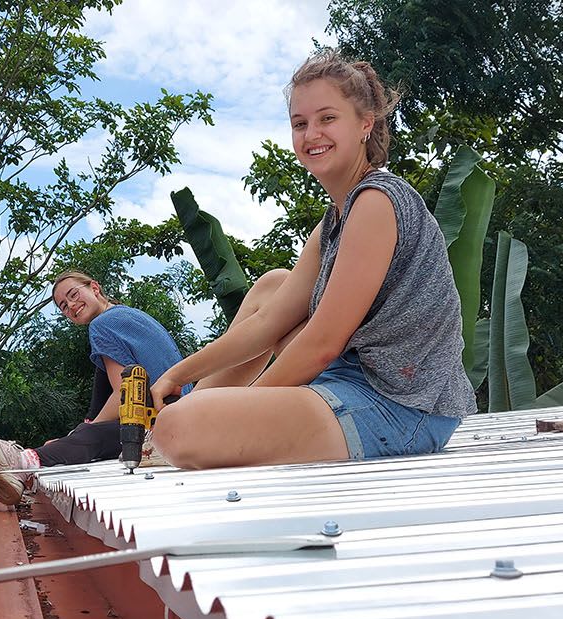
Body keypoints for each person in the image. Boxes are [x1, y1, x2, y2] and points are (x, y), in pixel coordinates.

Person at [147, 49, 476, 470]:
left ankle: (195, 422)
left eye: (327, 118)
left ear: (365, 124)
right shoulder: (334, 221)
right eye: (299, 124)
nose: (311, 134)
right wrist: (178, 375)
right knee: (271, 286)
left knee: (178, 428)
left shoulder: (377, 201)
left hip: (401, 407)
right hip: (351, 383)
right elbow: (267, 324)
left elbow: (322, 344)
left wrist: (243, 411)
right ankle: (201, 408)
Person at [0, 270, 191, 505]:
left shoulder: (102, 324)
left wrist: (78, 436)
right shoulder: (131, 316)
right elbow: (112, 388)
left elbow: (124, 395)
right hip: (182, 412)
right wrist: (82, 428)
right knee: (95, 401)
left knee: (93, 437)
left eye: (73, 295)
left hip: (161, 423)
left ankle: (19, 462)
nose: (70, 306)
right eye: (63, 306)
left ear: (95, 288)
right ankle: (24, 474)